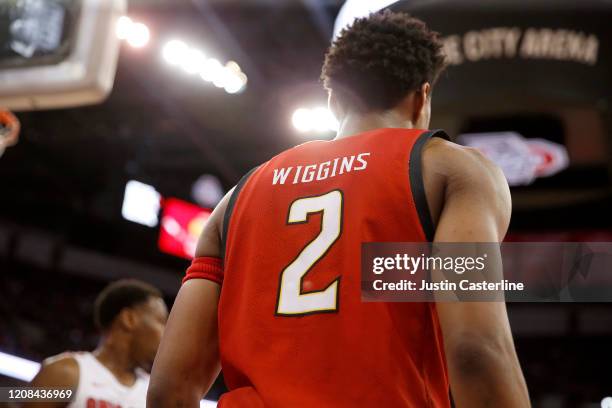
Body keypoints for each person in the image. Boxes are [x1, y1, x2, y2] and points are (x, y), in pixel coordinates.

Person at [148, 10, 530, 408]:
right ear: (422, 98)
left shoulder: (235, 199)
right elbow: (475, 350)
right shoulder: (453, 170)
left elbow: (169, 388)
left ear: (333, 99)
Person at [25, 279, 168, 408]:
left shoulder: (153, 393)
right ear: (129, 319)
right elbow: (8, 396)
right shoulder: (66, 372)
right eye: (162, 322)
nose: (167, 333)